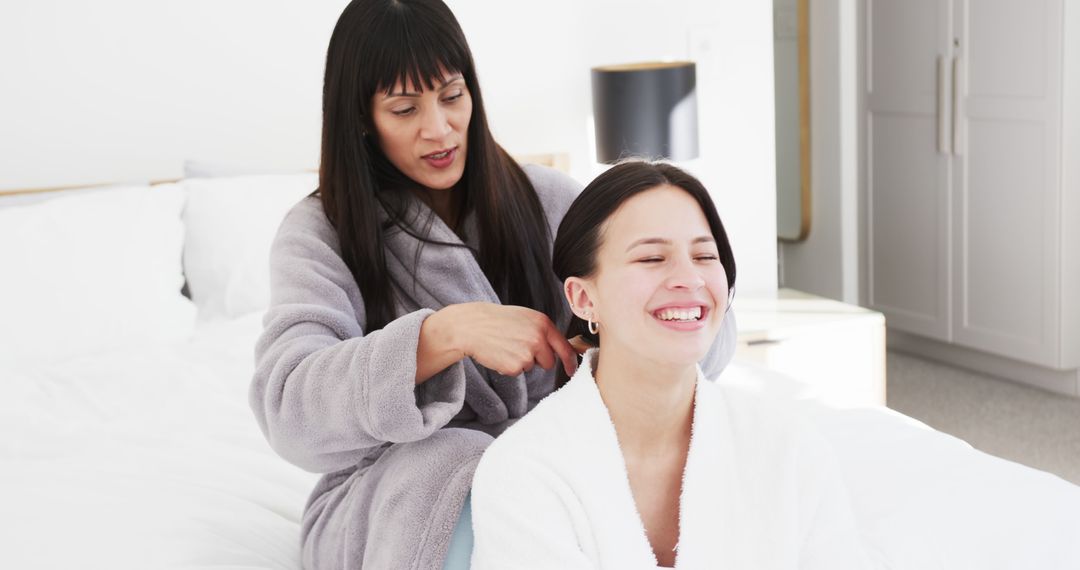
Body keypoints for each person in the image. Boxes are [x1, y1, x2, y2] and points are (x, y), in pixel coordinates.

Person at [249, 1, 738, 568]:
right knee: (455, 461)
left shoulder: (549, 199)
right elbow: (288, 411)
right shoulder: (321, 233)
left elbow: (700, 331)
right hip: (398, 500)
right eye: (405, 108)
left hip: (559, 469)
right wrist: (442, 335)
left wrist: (619, 347)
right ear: (361, 117)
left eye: (452, 96)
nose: (438, 128)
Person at [470, 161, 872, 569]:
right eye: (651, 258)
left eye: (704, 255)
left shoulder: (788, 447)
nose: (689, 278)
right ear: (583, 298)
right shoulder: (522, 472)